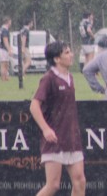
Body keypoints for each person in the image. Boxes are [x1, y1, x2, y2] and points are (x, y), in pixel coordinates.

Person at [29, 41, 86, 196]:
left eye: (70, 51)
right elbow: (34, 106)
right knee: (53, 185)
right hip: (54, 141)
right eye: (67, 53)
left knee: (80, 181)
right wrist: (46, 129)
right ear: (56, 59)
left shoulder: (70, 78)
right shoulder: (48, 79)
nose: (71, 55)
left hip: (72, 139)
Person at [0, 17, 12, 81]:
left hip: (1, 49)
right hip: (2, 49)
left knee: (6, 64)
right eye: (10, 22)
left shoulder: (1, 29)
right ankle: (3, 78)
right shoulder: (5, 30)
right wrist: (9, 49)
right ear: (8, 22)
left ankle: (6, 77)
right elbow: (5, 40)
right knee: (3, 64)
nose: (11, 23)